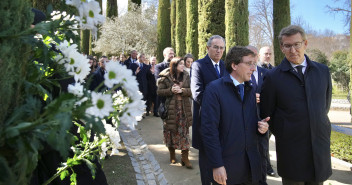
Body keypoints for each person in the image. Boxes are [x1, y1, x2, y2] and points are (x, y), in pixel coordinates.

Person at [260, 25, 332, 185]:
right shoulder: (273, 77)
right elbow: (267, 113)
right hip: (291, 149)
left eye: (297, 44)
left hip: (318, 146)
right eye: (287, 45)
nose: (293, 50)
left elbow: (324, 106)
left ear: (305, 43)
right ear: (281, 48)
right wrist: (286, 130)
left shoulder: (323, 72)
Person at [201, 46, 270, 184]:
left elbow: (248, 121)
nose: (253, 68)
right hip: (228, 167)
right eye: (249, 63)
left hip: (251, 165)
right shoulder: (214, 90)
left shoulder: (250, 89)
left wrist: (262, 127)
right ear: (234, 65)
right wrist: (217, 164)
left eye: (254, 64)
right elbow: (209, 131)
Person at [190, 35, 227, 184]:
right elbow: (198, 93)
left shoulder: (226, 66)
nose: (219, 51)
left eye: (221, 48)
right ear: (208, 48)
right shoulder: (198, 65)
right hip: (206, 121)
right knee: (206, 165)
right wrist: (222, 105)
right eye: (215, 47)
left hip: (224, 122)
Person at [156, 57, 193, 169]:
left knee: (184, 133)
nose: (183, 65)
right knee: (170, 132)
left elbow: (192, 90)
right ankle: (172, 154)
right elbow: (159, 92)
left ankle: (185, 157)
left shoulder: (186, 75)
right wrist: (170, 91)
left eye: (183, 64)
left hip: (183, 109)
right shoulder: (165, 77)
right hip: (170, 109)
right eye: (181, 64)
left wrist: (182, 91)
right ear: (174, 65)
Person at [154, 47, 175, 116]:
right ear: (164, 55)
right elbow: (158, 80)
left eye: (173, 53)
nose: (172, 55)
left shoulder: (177, 66)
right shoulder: (158, 66)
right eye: (170, 54)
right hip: (164, 97)